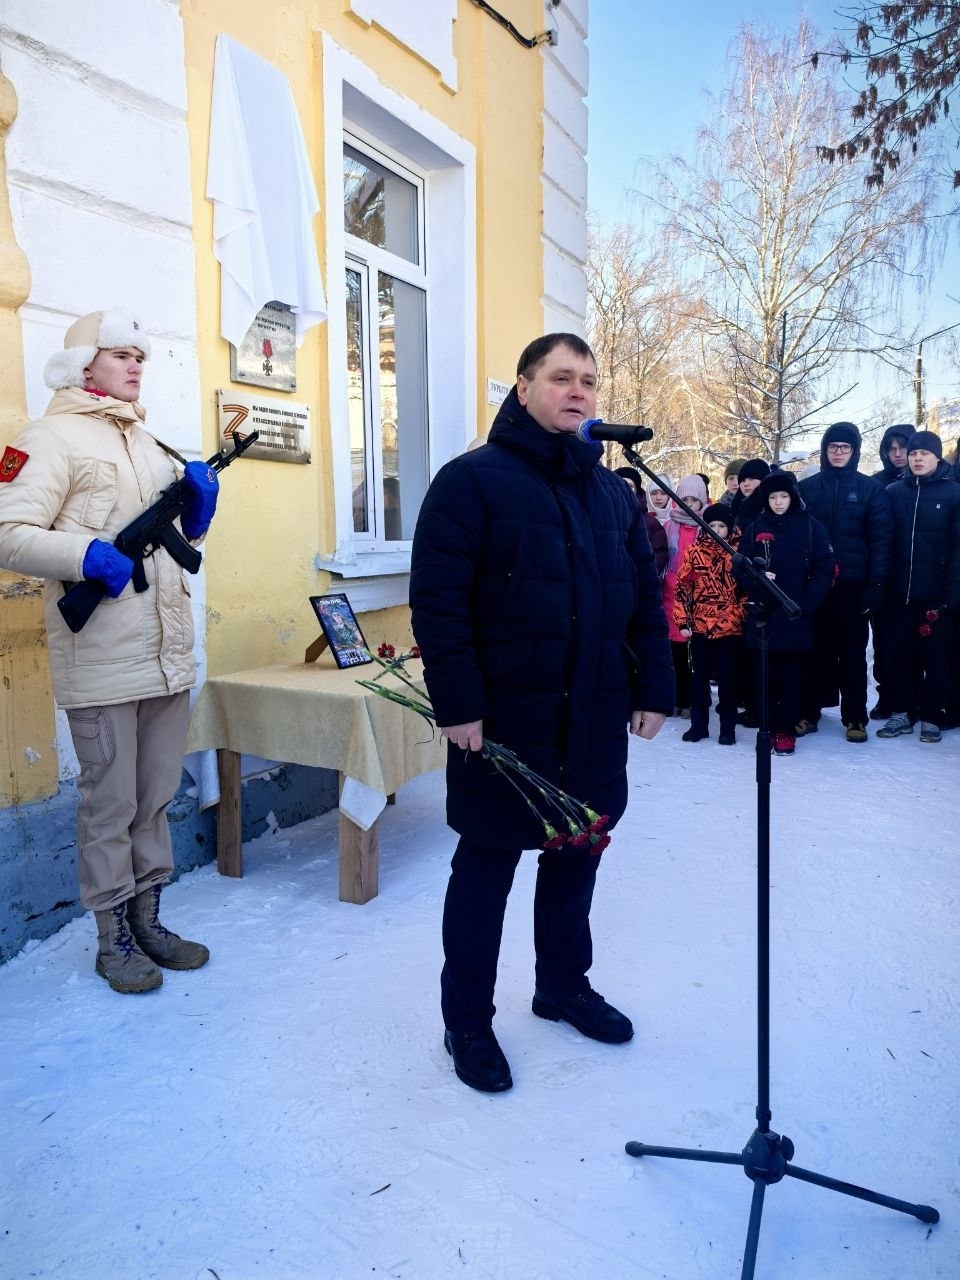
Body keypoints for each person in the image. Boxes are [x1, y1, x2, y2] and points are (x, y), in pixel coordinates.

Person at [409, 333, 674, 1094]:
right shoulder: (470, 482)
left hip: (592, 714)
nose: (578, 391)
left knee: (576, 857)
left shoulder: (612, 494)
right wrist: (459, 704)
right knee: (486, 869)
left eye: (588, 380)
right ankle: (467, 1021)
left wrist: (655, 686)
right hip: (503, 722)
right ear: (523, 388)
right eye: (561, 377)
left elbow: (644, 602)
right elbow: (439, 603)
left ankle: (562, 986)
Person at [0, 309, 216, 994]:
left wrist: (196, 518)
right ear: (83, 363)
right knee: (109, 807)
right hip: (100, 660)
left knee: (154, 801)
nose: (135, 366)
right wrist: (83, 555)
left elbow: (170, 548)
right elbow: (7, 530)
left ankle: (149, 920)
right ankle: (112, 938)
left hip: (165, 657)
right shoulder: (49, 438)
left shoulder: (150, 443)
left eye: (140, 356)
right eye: (121, 354)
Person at [797, 422, 891, 743]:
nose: (838, 452)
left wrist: (876, 585)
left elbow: (881, 542)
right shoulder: (807, 489)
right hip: (817, 586)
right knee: (814, 652)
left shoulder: (870, 490)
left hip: (854, 587)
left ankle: (855, 718)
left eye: (845, 447)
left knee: (852, 655)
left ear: (854, 451)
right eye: (833, 447)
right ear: (825, 450)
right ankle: (809, 712)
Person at [734, 471, 835, 755]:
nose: (778, 502)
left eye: (783, 496)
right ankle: (765, 728)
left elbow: (825, 568)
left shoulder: (811, 527)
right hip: (763, 616)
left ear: (793, 498)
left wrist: (806, 603)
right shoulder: (755, 527)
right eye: (773, 497)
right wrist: (757, 579)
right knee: (763, 678)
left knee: (792, 678)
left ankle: (785, 730)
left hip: (796, 615)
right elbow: (739, 567)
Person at [876, 431, 960, 744]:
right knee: (899, 655)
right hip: (899, 593)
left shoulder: (954, 494)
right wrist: (881, 584)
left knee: (936, 658)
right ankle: (902, 711)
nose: (917, 458)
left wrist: (952, 593)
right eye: (913, 454)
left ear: (937, 457)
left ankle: (932, 714)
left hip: (936, 596)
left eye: (924, 453)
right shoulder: (893, 492)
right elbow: (883, 541)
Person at [673, 502, 745, 744]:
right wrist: (683, 620)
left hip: (729, 627)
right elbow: (683, 588)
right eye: (711, 525)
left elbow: (747, 589)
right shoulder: (695, 551)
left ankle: (727, 729)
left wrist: (738, 613)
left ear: (730, 527)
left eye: (721, 526)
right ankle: (698, 725)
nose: (716, 530)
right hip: (700, 626)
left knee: (728, 679)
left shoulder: (738, 553)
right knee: (699, 678)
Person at [868, 424, 912, 718]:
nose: (897, 453)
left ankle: (915, 699)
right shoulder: (876, 484)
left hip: (919, 575)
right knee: (885, 641)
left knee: (916, 642)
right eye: (891, 448)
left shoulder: (932, 481)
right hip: (884, 573)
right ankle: (887, 697)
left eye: (902, 447)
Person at [663, 473, 708, 715]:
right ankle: (676, 697)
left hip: (699, 597)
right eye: (685, 499)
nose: (689, 504)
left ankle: (693, 700)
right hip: (671, 596)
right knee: (674, 653)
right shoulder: (669, 526)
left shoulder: (708, 528)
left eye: (694, 500)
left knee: (696, 655)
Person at [614, 465, 668, 577]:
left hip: (637, 581)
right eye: (621, 484)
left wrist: (640, 576)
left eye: (630, 486)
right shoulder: (602, 516)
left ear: (636, 490)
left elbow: (659, 555)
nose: (625, 489)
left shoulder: (652, 523)